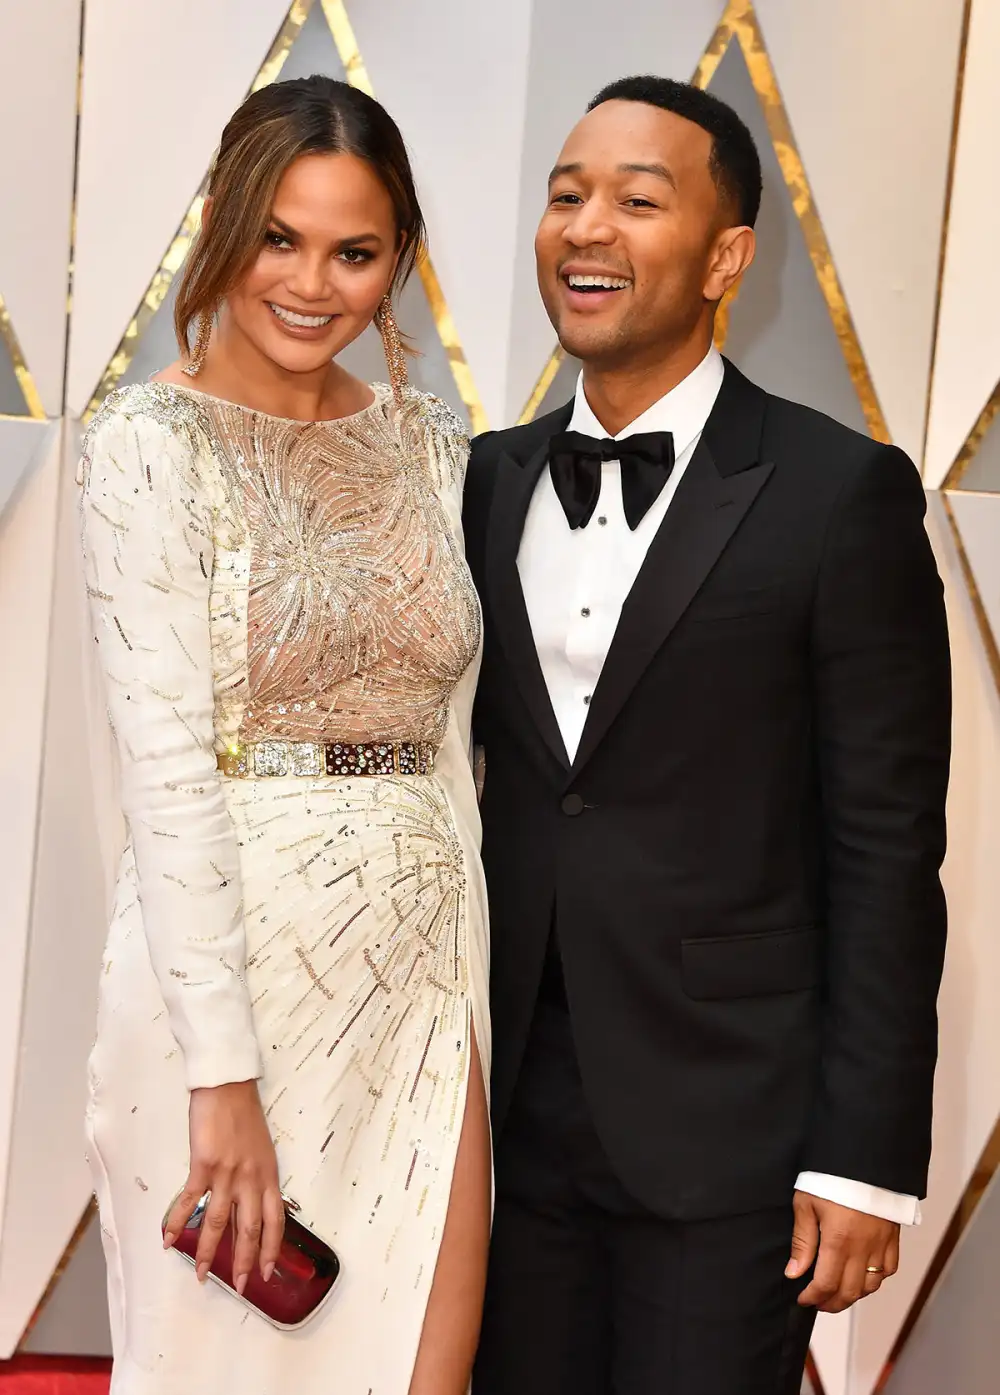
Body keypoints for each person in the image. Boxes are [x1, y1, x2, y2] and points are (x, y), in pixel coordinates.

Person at [465, 76, 951, 1395]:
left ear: (729, 255)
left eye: (637, 198)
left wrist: (863, 1154)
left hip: (731, 1123)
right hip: (503, 1117)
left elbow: (887, 845)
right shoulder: (484, 479)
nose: (586, 227)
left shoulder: (839, 492)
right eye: (567, 195)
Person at [80, 75, 490, 1395]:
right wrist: (223, 1075)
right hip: (235, 983)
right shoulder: (149, 445)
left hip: (426, 983)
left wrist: (473, 1003)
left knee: (429, 1364)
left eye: (355, 251)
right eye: (281, 238)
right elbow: (167, 775)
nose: (314, 283)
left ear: (397, 263)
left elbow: (457, 742)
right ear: (225, 228)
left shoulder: (434, 441)